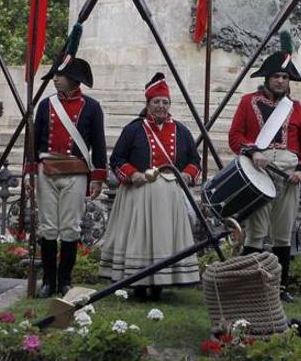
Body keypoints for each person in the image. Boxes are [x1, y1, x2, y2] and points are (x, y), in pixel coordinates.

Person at [99, 73, 201, 301]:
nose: (161, 107)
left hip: (170, 197)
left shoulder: (182, 131)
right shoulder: (133, 129)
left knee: (165, 240)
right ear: (147, 104)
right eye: (157, 102)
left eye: (165, 102)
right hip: (139, 194)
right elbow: (116, 159)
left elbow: (195, 161)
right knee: (140, 239)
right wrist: (132, 174)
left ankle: (160, 285)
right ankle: (138, 285)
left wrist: (187, 174)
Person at [228, 33, 301, 302]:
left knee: (282, 232)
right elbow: (235, 137)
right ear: (267, 78)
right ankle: (248, 286)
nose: (281, 80)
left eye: (285, 77)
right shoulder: (247, 102)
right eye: (276, 76)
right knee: (256, 230)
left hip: (288, 174)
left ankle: (280, 288)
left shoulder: (296, 108)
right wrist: (253, 152)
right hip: (259, 171)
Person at [30, 57, 107, 297]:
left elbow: (99, 143)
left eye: (59, 75)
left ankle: (64, 280)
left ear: (73, 79)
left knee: (71, 229)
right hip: (47, 170)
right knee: (48, 228)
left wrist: (98, 176)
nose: (54, 79)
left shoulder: (92, 107)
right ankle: (48, 282)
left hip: (75, 172)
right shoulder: (45, 105)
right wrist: (30, 172)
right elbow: (34, 140)